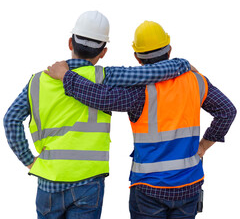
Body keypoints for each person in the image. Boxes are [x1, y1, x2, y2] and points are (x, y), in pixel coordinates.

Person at [3, 12, 191, 219]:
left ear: (69, 43)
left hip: (49, 180)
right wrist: (182, 64)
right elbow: (149, 73)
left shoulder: (38, 81)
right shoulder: (105, 76)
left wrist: (29, 161)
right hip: (89, 182)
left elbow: (10, 119)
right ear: (103, 52)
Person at [45, 20, 237, 219]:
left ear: (137, 57)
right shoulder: (197, 81)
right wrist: (204, 146)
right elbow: (227, 111)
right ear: (169, 50)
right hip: (189, 185)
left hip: (148, 189)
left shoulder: (139, 90)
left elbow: (101, 97)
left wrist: (67, 77)